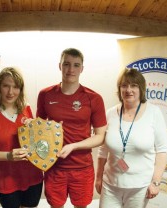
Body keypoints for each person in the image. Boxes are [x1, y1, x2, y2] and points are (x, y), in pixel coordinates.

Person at [36, 48, 107, 208]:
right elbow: (38, 129)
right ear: (59, 66)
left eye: (76, 65)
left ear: (82, 68)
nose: (71, 69)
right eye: (66, 64)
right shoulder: (45, 94)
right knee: (55, 205)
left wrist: (73, 146)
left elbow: (100, 136)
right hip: (54, 167)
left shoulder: (93, 98)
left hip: (82, 167)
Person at [95, 68, 167, 208]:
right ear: (119, 89)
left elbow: (163, 150)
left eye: (133, 85)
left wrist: (156, 181)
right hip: (110, 186)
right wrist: (98, 178)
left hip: (140, 188)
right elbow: (103, 150)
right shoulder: (110, 113)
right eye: (124, 85)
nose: (128, 90)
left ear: (141, 88)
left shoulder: (154, 113)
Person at [0, 67, 43, 208]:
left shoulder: (27, 108)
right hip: (5, 178)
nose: (11, 92)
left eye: (15, 87)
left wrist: (39, 129)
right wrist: (8, 156)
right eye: (6, 86)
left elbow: (35, 141)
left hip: (32, 175)